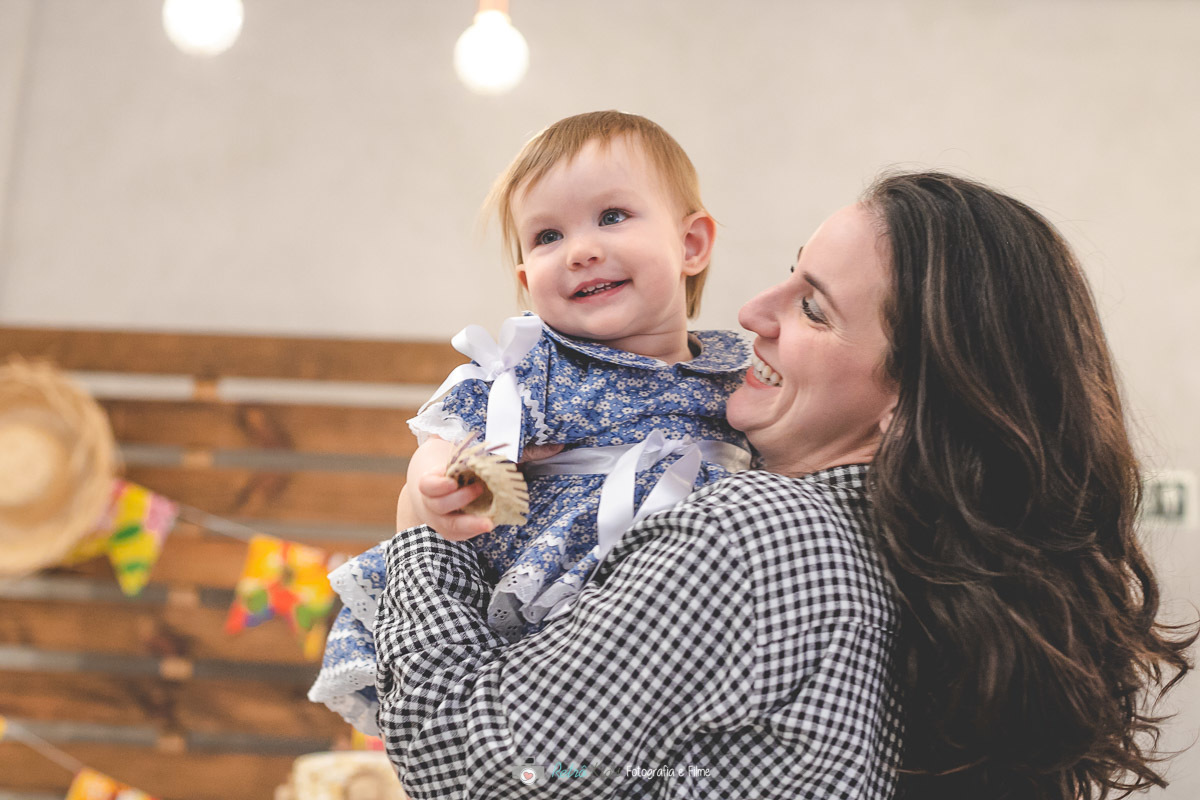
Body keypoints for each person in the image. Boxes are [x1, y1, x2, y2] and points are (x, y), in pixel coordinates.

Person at [371, 171, 1194, 799]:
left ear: (908, 407)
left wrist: (422, 540)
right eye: (789, 275)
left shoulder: (754, 533)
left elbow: (472, 764)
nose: (756, 309)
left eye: (816, 310)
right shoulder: (917, 559)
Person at [308, 111, 751, 734]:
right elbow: (450, 431)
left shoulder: (736, 378)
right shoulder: (536, 364)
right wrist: (435, 482)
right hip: (535, 610)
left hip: (675, 613)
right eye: (546, 237)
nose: (581, 250)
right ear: (525, 281)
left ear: (691, 244)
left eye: (612, 216)